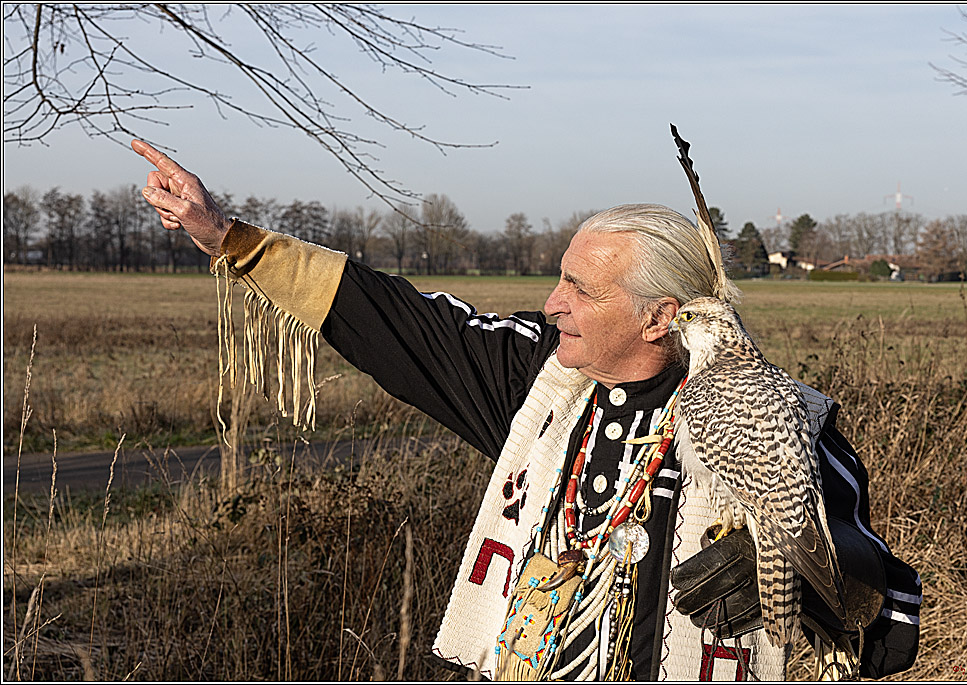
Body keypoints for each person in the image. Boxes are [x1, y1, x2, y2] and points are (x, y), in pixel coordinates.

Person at [132, 139, 921, 681]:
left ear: (660, 316)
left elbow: (891, 621)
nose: (552, 302)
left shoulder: (775, 419)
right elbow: (399, 322)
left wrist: (807, 578)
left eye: (580, 287)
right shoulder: (536, 380)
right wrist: (226, 235)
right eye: (559, 278)